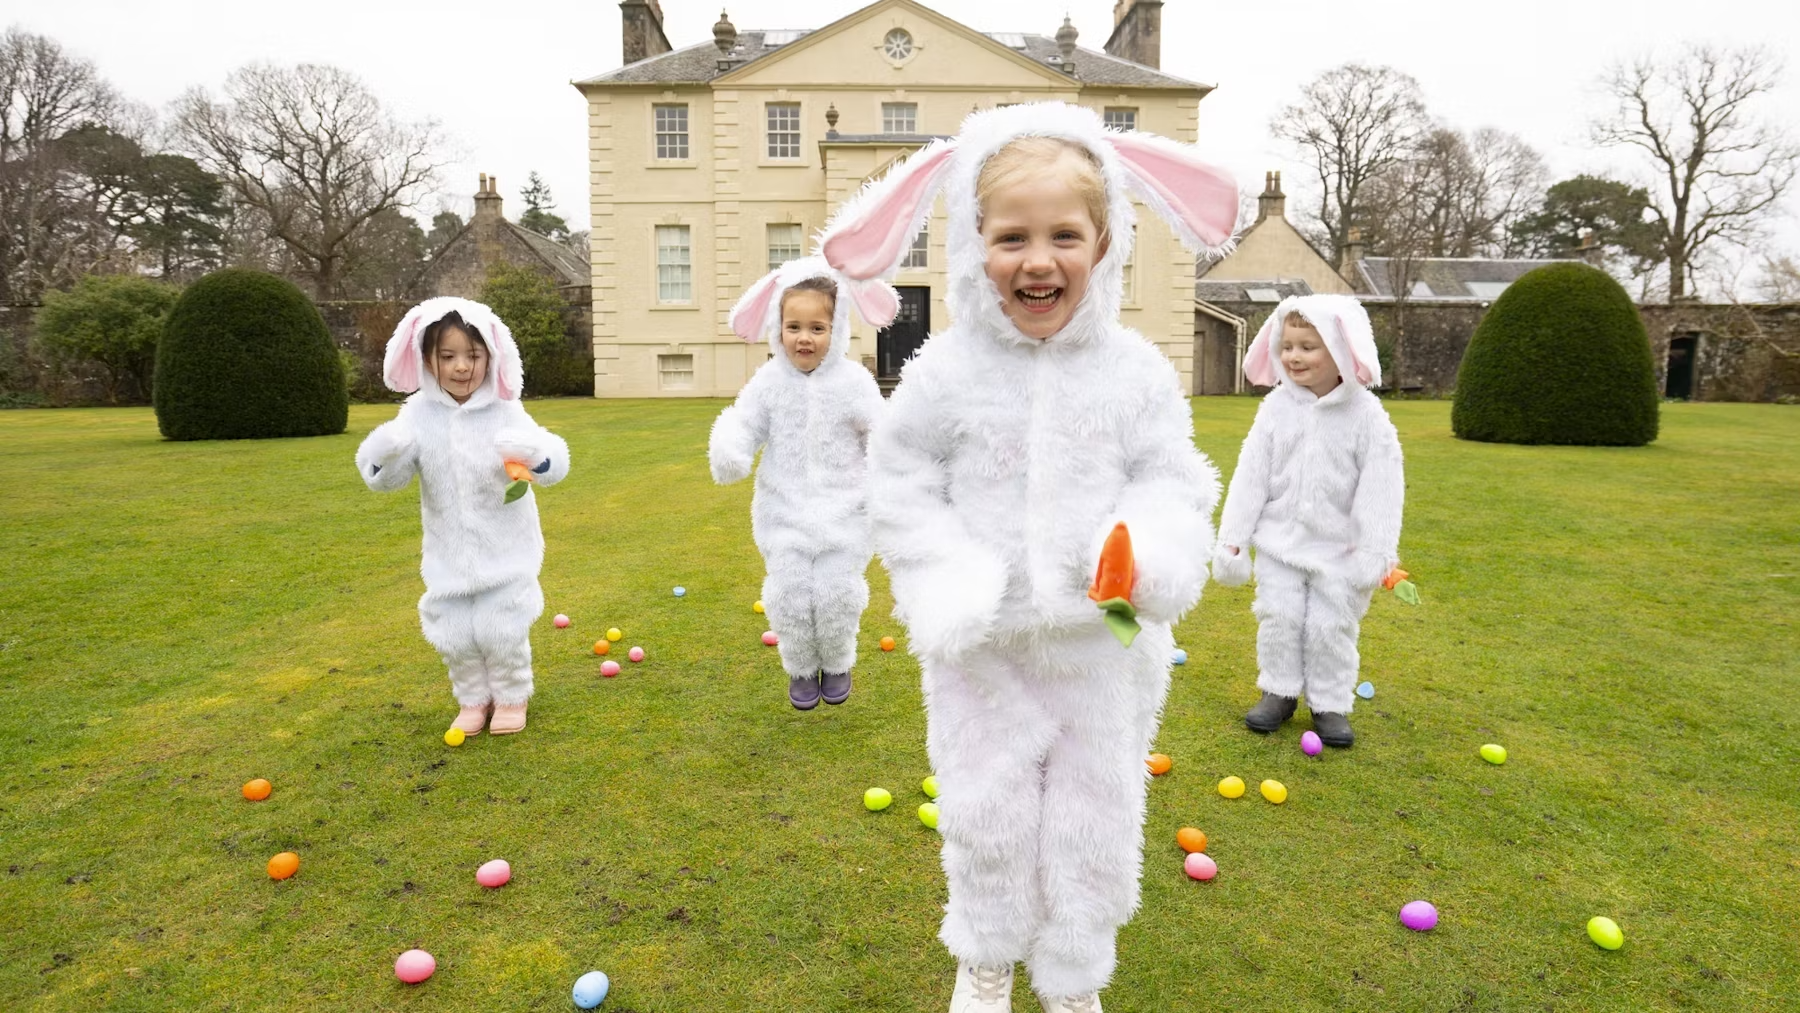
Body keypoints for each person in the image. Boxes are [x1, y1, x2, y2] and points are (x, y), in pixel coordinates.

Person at [819, 103, 1237, 1013]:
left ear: (1106, 243)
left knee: (1096, 817)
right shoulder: (942, 370)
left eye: (1063, 235)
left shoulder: (1135, 373)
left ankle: (1076, 971)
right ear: (976, 247)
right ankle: (987, 954)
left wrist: (1145, 549)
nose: (1037, 259)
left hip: (1101, 647)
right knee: (986, 811)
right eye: (1012, 236)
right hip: (984, 647)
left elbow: (1175, 480)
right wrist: (947, 577)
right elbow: (898, 477)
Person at [355, 297, 570, 736]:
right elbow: (386, 480)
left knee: (502, 629)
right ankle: (472, 700)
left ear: (491, 355)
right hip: (447, 551)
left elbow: (551, 466)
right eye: (447, 356)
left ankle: (511, 696)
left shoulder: (506, 409)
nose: (461, 367)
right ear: (427, 359)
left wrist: (536, 456)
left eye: (472, 355)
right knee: (453, 633)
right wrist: (385, 451)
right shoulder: (417, 414)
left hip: (505, 547)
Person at [1209, 295, 1405, 748]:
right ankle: (1278, 690)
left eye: (1308, 347)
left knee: (1330, 625)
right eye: (1288, 346)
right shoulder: (1275, 409)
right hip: (1280, 541)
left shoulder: (1366, 417)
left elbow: (1382, 486)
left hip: (1340, 549)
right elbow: (1251, 475)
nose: (1294, 357)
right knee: (1278, 615)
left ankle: (1330, 701)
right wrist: (1234, 538)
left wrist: (1375, 549)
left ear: (1339, 350)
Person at [709, 257, 889, 710]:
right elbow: (742, 421)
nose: (804, 338)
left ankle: (837, 660)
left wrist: (900, 475)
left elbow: (883, 435)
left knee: (836, 594)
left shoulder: (855, 383)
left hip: (846, 514)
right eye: (793, 327)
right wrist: (730, 449)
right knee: (788, 594)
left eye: (817, 327)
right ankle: (801, 668)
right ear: (778, 328)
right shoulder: (768, 382)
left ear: (837, 330)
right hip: (783, 512)